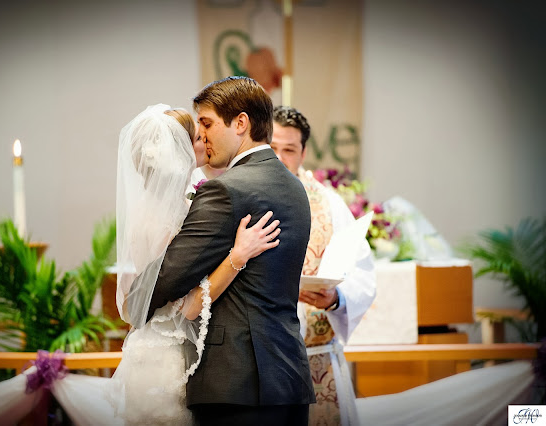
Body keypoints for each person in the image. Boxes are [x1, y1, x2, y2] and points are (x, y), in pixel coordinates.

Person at [147, 77, 315, 426]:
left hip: (236, 385)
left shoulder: (226, 190)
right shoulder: (295, 187)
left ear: (241, 123)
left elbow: (167, 279)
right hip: (288, 376)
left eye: (207, 123)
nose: (202, 135)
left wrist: (132, 298)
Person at [111, 103, 281, 425]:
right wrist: (237, 257)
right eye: (196, 136)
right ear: (179, 152)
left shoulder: (171, 205)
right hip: (168, 356)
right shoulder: (163, 219)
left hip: (166, 347)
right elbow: (185, 308)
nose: (205, 140)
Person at [271, 106, 377, 426]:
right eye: (271, 148)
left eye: (288, 150)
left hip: (316, 362)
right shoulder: (239, 196)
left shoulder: (328, 204)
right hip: (260, 365)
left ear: (303, 153)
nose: (278, 158)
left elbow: (363, 274)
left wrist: (335, 298)